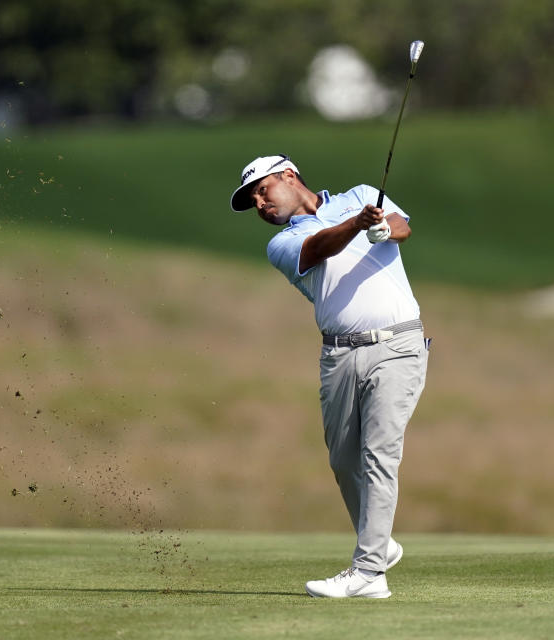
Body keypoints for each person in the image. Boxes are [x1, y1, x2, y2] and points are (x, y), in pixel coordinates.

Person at [229, 154, 430, 598]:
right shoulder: (282, 244)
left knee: (380, 453)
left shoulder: (359, 196)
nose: (260, 204)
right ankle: (381, 544)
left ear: (288, 175)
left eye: (262, 191)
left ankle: (369, 572)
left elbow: (402, 226)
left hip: (398, 345)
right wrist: (359, 227)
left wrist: (383, 228)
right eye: (253, 202)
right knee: (344, 461)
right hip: (338, 357)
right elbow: (318, 248)